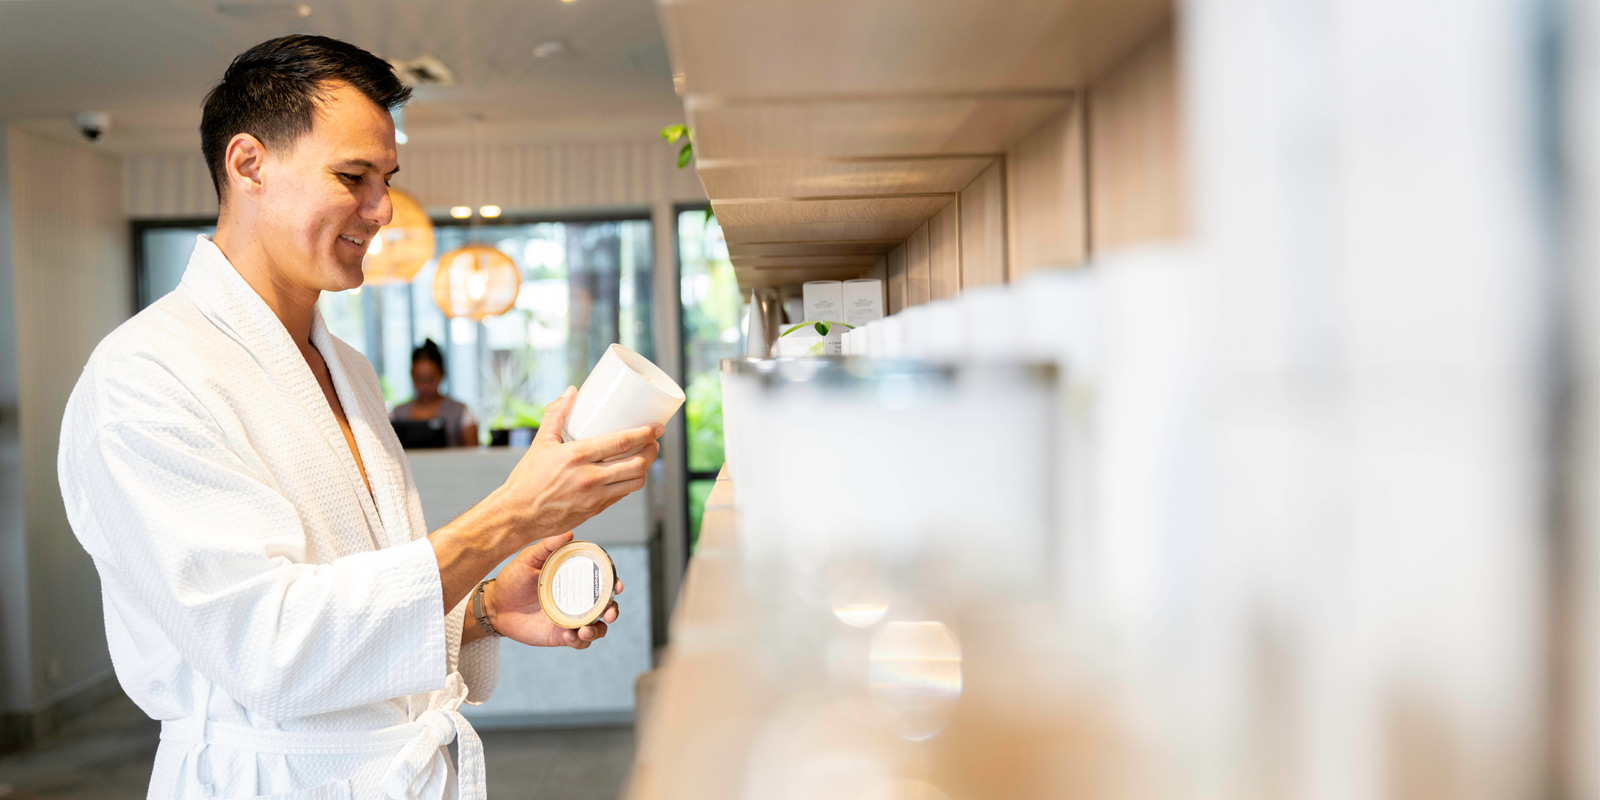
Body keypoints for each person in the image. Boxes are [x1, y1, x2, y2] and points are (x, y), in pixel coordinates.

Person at [56, 35, 660, 800]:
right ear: (249, 165)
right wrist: (511, 515)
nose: (381, 211)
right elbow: (268, 649)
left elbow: (344, 599)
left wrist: (478, 609)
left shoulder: (348, 368)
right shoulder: (144, 377)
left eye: (387, 180)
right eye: (354, 178)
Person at [391, 339, 478, 447]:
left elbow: (473, 455)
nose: (424, 386)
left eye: (430, 379)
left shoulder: (461, 412)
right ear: (411, 375)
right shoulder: (397, 414)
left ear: (442, 375)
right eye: (419, 379)